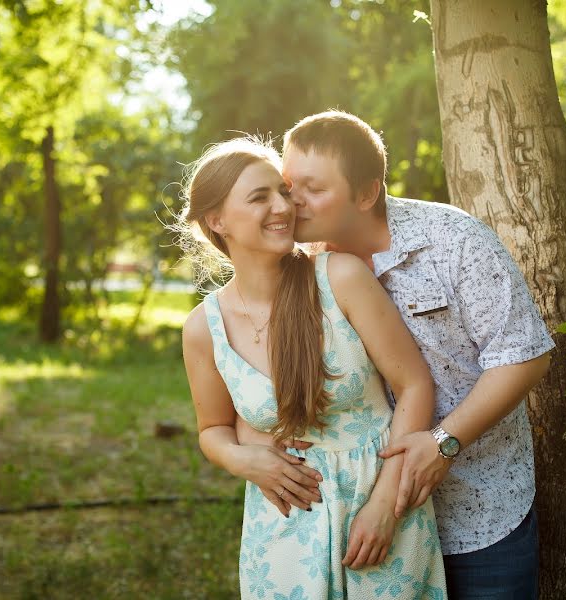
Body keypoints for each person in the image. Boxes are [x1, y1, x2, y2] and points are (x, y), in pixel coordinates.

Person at [236, 110, 554, 599]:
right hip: (362, 513)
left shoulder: (456, 240)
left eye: (312, 188)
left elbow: (523, 356)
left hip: (478, 503)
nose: (291, 201)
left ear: (366, 194)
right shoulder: (300, 269)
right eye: (286, 183)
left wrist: (445, 441)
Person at [177, 137, 447, 599]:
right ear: (217, 220)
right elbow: (212, 429)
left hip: (378, 514)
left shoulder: (340, 277)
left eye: (281, 191)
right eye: (260, 197)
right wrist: (246, 459)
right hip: (284, 530)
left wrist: (386, 504)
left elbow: (414, 383)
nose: (283, 206)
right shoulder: (205, 328)